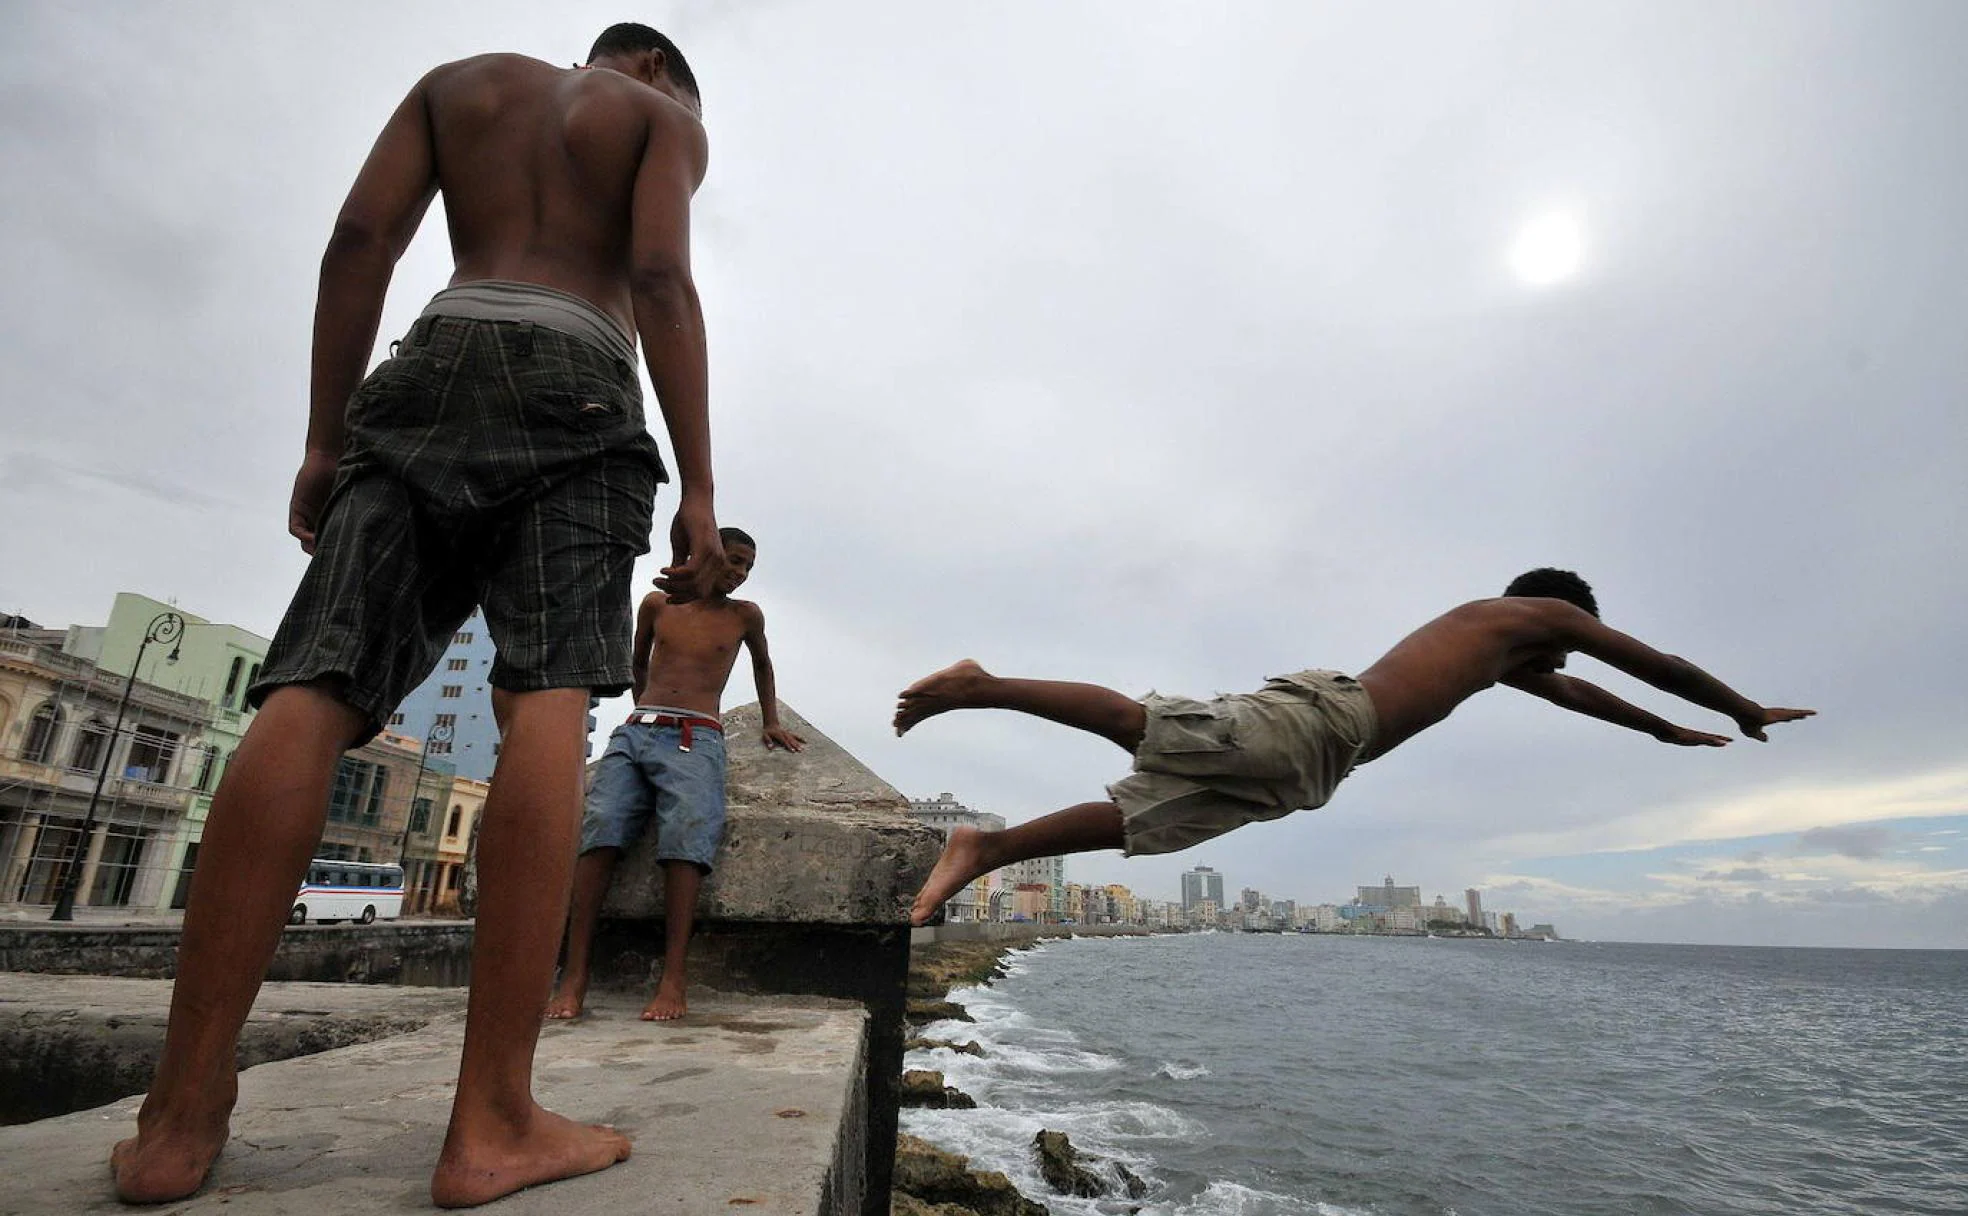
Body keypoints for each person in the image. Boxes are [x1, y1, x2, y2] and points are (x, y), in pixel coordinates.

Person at [112, 24, 719, 1209]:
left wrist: (325, 436)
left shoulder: (458, 87)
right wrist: (698, 483)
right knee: (545, 697)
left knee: (316, 687)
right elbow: (658, 283)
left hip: (431, 358)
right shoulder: (658, 118)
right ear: (652, 67)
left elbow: (359, 241)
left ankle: (180, 1111)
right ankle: (490, 1118)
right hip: (583, 380)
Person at [895, 569, 1814, 926]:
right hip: (1327, 720)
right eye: (1568, 638)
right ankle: (985, 686)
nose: (1564, 654)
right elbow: (1649, 661)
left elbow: (1583, 694)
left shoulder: (1509, 659)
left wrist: (1662, 732)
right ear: (1561, 611)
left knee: (1152, 817)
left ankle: (990, 848)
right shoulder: (1534, 613)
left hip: (1321, 761)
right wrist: (1740, 708)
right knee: (1160, 728)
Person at [546, 526, 805, 1023]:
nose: (739, 572)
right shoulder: (657, 604)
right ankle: (574, 975)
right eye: (732, 559)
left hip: (697, 736)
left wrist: (770, 721)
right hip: (638, 730)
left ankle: (673, 977)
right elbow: (637, 661)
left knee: (687, 837)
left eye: (747, 566)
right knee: (600, 829)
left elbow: (763, 666)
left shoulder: (743, 616)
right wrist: (646, 707)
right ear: (707, 554)